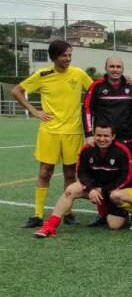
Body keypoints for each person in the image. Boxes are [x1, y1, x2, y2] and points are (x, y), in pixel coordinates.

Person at [12, 40, 94, 228]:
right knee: (44, 171)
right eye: (64, 55)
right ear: (54, 56)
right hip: (49, 131)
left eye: (69, 55)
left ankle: (68, 212)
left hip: (73, 132)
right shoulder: (43, 75)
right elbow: (17, 91)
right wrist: (34, 111)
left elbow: (96, 90)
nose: (67, 58)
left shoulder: (79, 74)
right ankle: (38, 214)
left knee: (69, 174)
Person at [33, 124, 132, 237]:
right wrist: (90, 189)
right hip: (94, 188)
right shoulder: (87, 148)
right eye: (98, 135)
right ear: (94, 135)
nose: (102, 139)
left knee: (114, 225)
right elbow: (81, 173)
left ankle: (123, 213)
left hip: (113, 192)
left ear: (113, 136)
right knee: (70, 190)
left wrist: (104, 190)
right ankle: (50, 226)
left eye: (106, 136)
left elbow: (126, 177)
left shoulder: (122, 150)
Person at [83, 56, 132, 146]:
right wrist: (88, 134)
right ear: (106, 68)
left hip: (127, 139)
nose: (115, 70)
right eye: (112, 66)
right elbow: (86, 109)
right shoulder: (96, 86)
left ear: (123, 69)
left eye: (118, 67)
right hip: (103, 139)